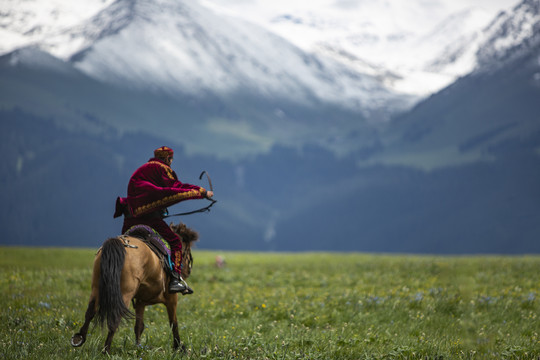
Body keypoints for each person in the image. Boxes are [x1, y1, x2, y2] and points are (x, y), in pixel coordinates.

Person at [113, 146, 214, 294]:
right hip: (149, 218)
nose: (171, 162)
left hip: (130, 218)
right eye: (171, 160)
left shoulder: (142, 169)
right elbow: (177, 188)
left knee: (123, 242)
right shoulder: (163, 169)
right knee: (175, 242)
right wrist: (203, 192)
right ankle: (175, 279)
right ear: (167, 158)